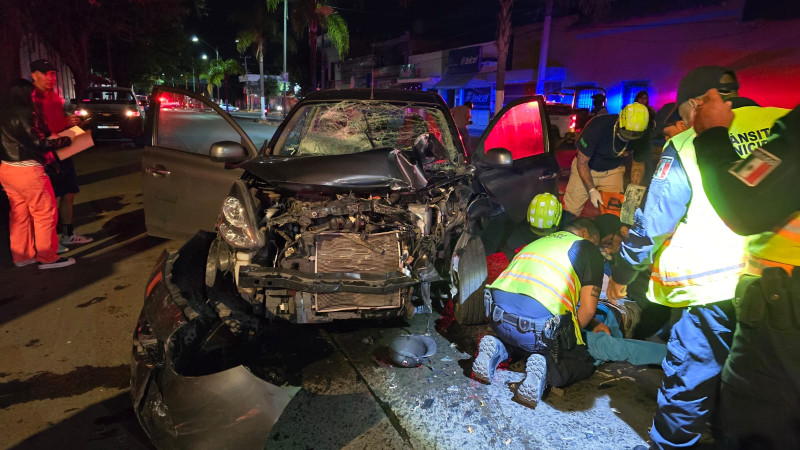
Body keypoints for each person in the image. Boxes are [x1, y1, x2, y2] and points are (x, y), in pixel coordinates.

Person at [607, 66, 787, 449]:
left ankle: (672, 444)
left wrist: (621, 273)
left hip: (713, 286)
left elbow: (651, 225)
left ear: (697, 103)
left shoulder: (690, 142)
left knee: (689, 378)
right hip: (780, 284)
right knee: (761, 389)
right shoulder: (783, 122)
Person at [693, 89, 800, 449]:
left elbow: (745, 202)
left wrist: (710, 136)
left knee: (760, 426)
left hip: (783, 315)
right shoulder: (777, 114)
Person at [472, 217, 605, 408]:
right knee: (583, 363)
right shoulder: (587, 248)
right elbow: (588, 309)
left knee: (523, 337)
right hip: (539, 322)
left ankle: (497, 347)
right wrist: (569, 344)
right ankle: (545, 368)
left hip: (497, 313)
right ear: (584, 233)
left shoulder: (541, 241)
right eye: (596, 241)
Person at [0, 79, 76, 269]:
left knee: (19, 214)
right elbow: (37, 144)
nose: (34, 97)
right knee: (45, 213)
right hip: (28, 169)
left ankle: (23, 256)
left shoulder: (3, 112)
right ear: (25, 94)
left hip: (7, 169)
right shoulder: (24, 113)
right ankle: (48, 257)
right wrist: (64, 141)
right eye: (32, 94)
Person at [30, 59, 93, 249]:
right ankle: (48, 241)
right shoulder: (32, 99)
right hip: (46, 153)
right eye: (45, 73)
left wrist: (70, 123)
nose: (50, 78)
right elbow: (36, 130)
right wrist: (64, 125)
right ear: (34, 75)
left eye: (52, 73)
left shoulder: (54, 96)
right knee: (48, 199)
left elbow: (56, 124)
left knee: (69, 192)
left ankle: (67, 234)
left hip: (64, 149)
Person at [563, 102, 650, 217]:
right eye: (626, 133)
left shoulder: (642, 134)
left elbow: (638, 166)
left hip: (613, 170)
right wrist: (591, 190)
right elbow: (582, 162)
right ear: (620, 121)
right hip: (586, 167)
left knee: (613, 214)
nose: (629, 137)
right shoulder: (598, 125)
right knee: (571, 211)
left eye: (634, 135)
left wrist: (632, 198)